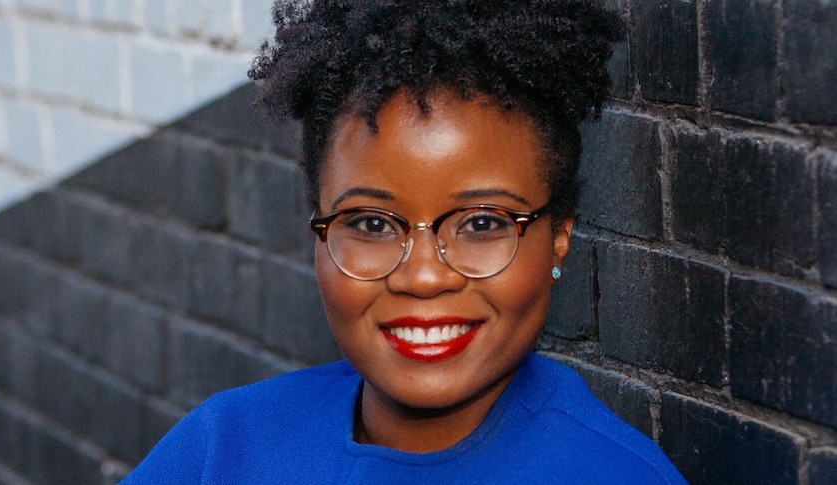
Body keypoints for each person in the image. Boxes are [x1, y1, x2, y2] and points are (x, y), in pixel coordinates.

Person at [121, 1, 687, 483]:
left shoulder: (610, 473)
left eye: (481, 223)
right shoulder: (224, 450)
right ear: (318, 228)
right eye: (371, 224)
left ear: (559, 234)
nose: (421, 277)